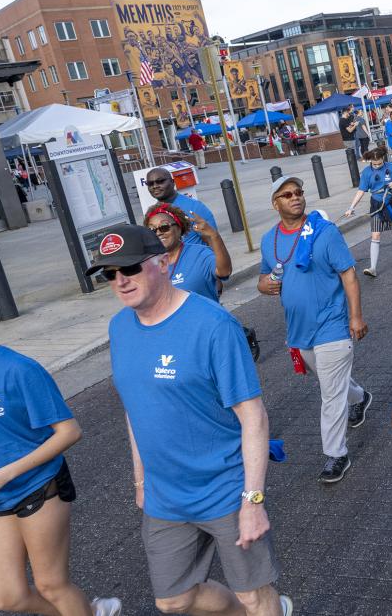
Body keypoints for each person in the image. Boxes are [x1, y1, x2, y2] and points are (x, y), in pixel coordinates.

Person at [87, 225, 291, 616]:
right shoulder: (119, 328)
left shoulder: (213, 326)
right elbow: (135, 408)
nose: (120, 281)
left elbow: (253, 417)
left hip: (224, 488)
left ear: (163, 262)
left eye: (129, 268)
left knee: (253, 594)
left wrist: (253, 500)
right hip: (165, 496)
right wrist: (141, 479)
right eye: (110, 274)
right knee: (173, 600)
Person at [0, 284, 121, 616]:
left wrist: (3, 474)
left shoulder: (17, 369)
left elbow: (69, 432)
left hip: (38, 486)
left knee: (51, 584)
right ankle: (88, 612)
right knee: (7, 598)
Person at [259, 176, 372, 483]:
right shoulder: (268, 240)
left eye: (298, 192)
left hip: (332, 325)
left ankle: (336, 455)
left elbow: (348, 275)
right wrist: (264, 284)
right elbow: (262, 278)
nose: (295, 197)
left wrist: (356, 316)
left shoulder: (325, 232)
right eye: (287, 195)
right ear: (276, 203)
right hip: (299, 330)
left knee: (330, 395)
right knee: (331, 382)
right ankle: (360, 397)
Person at [144, 202, 231, 302]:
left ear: (179, 228)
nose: (158, 233)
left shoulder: (200, 253)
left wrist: (214, 236)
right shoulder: (148, 264)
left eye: (164, 227)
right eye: (152, 230)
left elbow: (224, 272)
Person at [344, 147, 392, 278]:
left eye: (379, 163)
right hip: (376, 205)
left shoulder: (391, 167)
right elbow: (361, 191)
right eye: (374, 163)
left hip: (391, 203)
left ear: (383, 158)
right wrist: (351, 207)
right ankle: (373, 268)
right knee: (375, 235)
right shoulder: (366, 172)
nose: (376, 166)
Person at [144, 167, 218, 246]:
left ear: (172, 182)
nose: (155, 186)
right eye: (150, 184)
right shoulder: (153, 213)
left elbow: (214, 242)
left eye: (160, 181)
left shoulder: (195, 207)